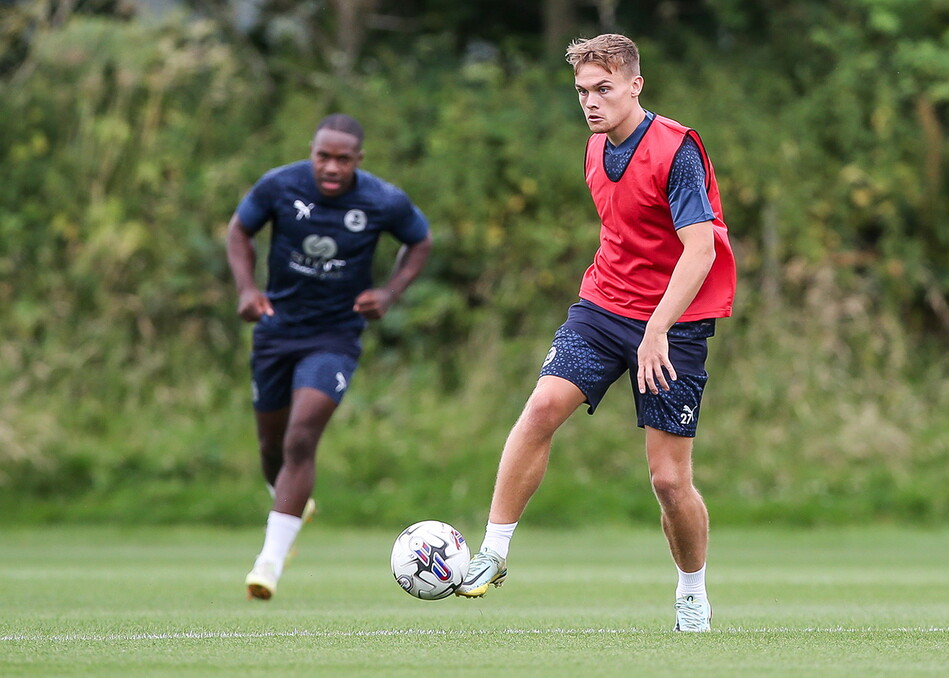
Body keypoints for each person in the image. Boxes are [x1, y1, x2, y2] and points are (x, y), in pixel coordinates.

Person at [454, 34, 736, 633]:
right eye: (582, 91)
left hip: (674, 322)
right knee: (542, 406)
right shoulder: (593, 148)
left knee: (667, 478)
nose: (591, 101)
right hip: (604, 307)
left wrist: (658, 327)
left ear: (635, 85)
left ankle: (692, 591)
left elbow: (700, 248)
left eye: (603, 89)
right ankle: (494, 552)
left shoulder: (675, 149)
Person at [226, 113, 432, 600]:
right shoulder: (280, 185)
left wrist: (390, 293)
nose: (332, 167)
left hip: (335, 336)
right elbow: (239, 231)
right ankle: (294, 505)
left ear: (358, 161)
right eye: (324, 157)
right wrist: (247, 288)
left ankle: (269, 563)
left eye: (343, 159)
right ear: (312, 153)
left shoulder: (383, 200)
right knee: (271, 452)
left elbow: (420, 240)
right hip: (276, 330)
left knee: (301, 438)